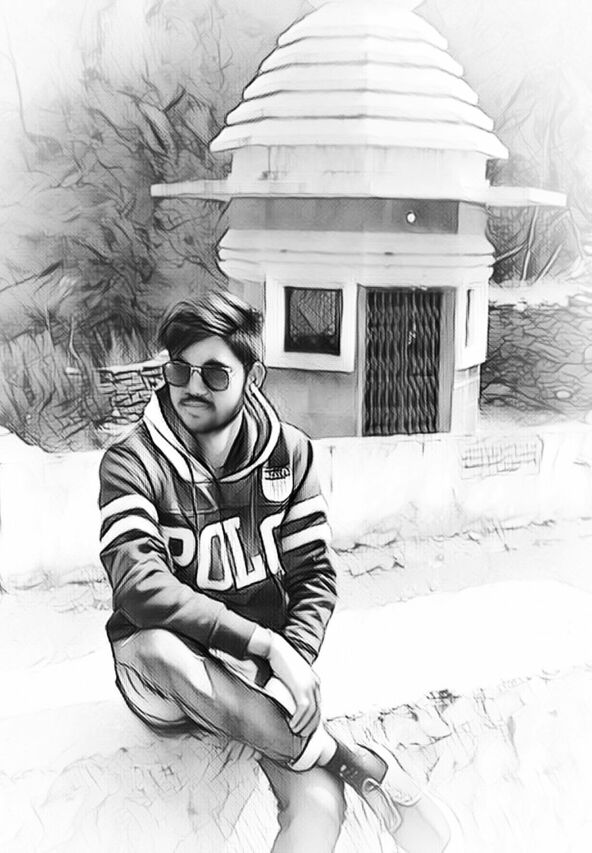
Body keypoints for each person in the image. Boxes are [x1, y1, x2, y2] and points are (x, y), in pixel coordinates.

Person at [98, 290, 451, 852]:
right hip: (168, 674)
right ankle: (352, 758)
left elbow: (315, 576)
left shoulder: (290, 454)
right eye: (179, 370)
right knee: (161, 648)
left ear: (252, 377)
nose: (192, 387)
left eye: (215, 374)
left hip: (257, 679)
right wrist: (266, 645)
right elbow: (140, 588)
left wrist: (292, 660)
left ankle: (326, 758)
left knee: (320, 805)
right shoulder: (132, 460)